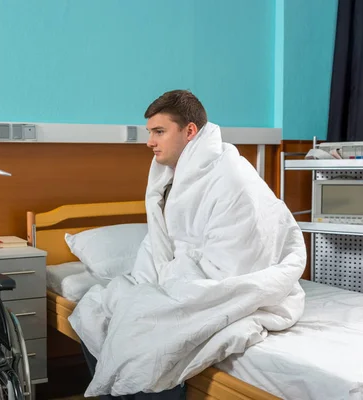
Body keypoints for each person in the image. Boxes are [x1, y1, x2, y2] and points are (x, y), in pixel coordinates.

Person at [70, 90, 306, 399]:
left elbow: (239, 257)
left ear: (190, 131)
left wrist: (174, 280)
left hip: (226, 278)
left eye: (159, 132)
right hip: (186, 274)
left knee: (145, 331)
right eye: (149, 133)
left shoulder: (231, 177)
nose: (149, 142)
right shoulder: (170, 177)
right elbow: (160, 242)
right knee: (95, 306)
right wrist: (161, 277)